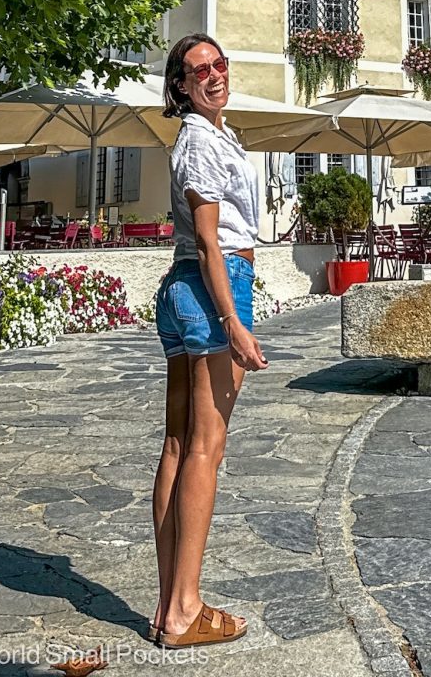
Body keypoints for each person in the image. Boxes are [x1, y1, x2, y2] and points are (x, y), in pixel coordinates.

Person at [151, 32, 267, 651]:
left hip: (185, 289)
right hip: (210, 287)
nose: (215, 74)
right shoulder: (199, 140)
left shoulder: (215, 135)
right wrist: (232, 320)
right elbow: (208, 238)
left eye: (219, 63)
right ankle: (184, 610)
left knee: (178, 445)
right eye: (200, 70)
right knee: (205, 448)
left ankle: (169, 603)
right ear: (181, 85)